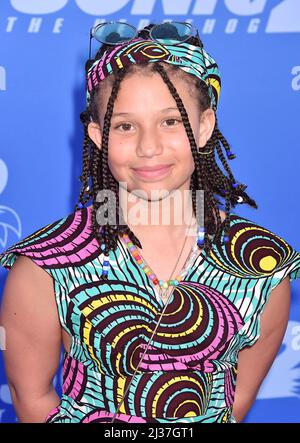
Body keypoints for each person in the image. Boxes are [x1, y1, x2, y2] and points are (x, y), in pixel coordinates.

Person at [0, 21, 300, 424]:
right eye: (124, 126)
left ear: (205, 126)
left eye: (171, 121)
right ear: (96, 135)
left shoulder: (262, 264)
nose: (149, 146)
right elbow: (31, 395)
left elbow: (237, 399)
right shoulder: (46, 261)